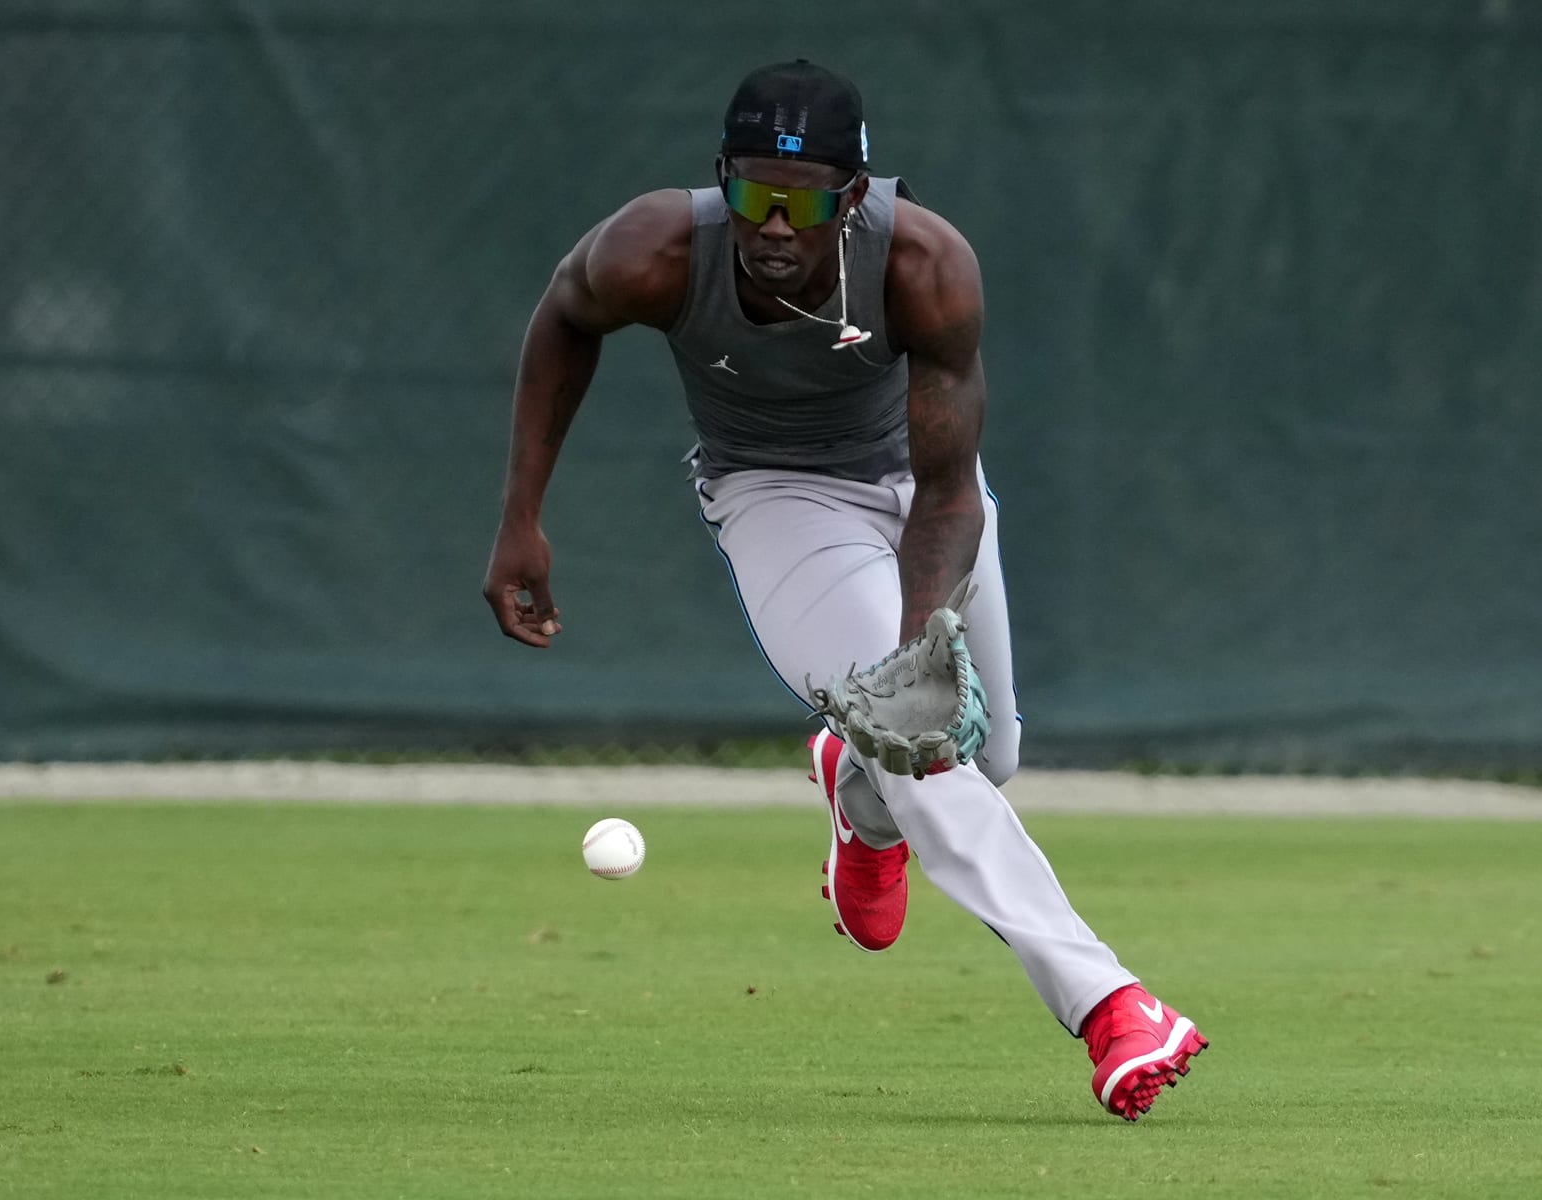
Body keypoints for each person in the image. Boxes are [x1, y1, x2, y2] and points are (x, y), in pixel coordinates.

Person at [481, 59, 1207, 1120]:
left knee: (981, 755)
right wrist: (520, 519)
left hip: (923, 497)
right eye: (754, 194)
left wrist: (917, 654)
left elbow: (953, 490)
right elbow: (564, 318)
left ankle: (862, 804)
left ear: (855, 196)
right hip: (775, 496)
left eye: (808, 199)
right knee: (938, 759)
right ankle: (1109, 1006)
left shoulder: (925, 266)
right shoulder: (656, 249)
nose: (776, 224)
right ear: (721, 179)